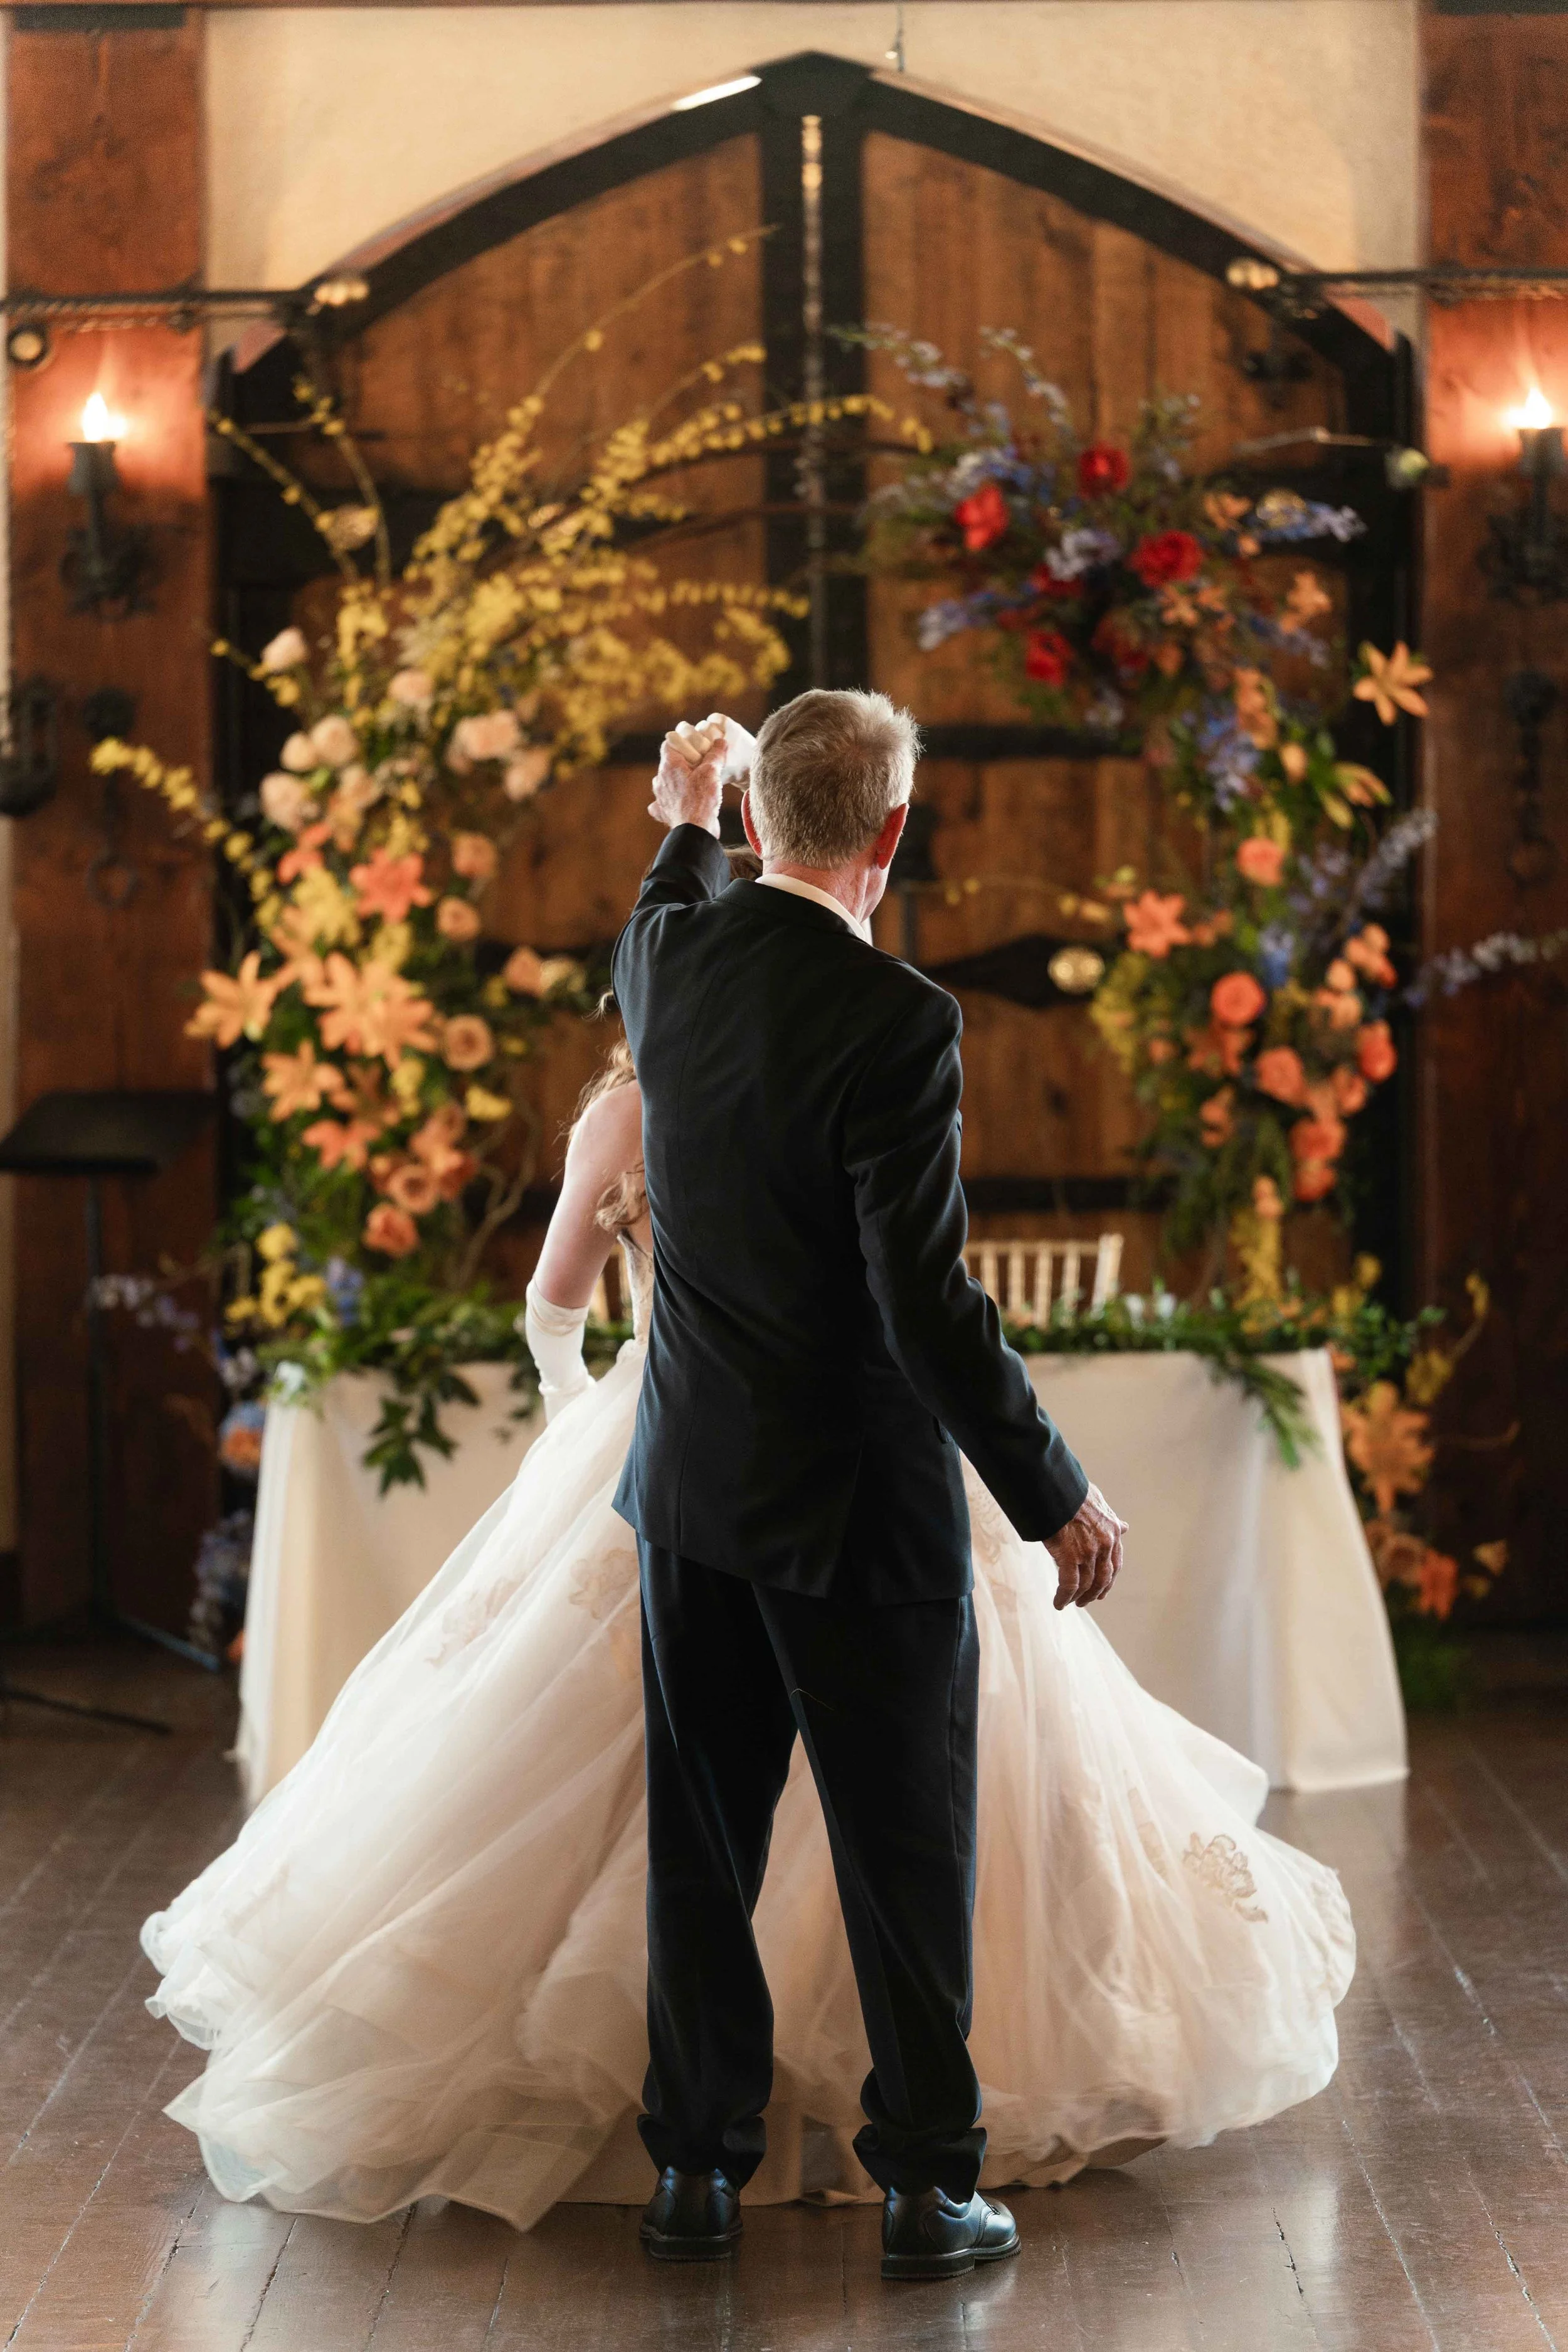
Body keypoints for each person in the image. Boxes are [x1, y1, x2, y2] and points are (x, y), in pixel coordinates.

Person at [139, 708, 1354, 2280]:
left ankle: (691, 2178)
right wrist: (1051, 1489)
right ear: (894, 836)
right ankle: (926, 2184)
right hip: (859, 1511)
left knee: (701, 1847)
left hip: (686, 1495)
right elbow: (923, 1307)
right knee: (901, 1848)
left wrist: (682, 807)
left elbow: (662, 897)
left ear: (763, 823)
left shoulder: (664, 967)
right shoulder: (900, 1021)